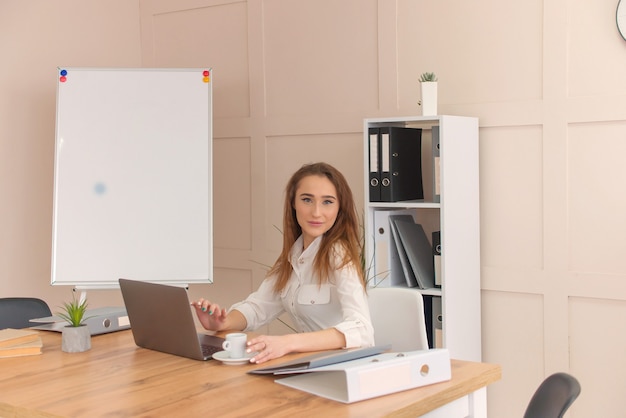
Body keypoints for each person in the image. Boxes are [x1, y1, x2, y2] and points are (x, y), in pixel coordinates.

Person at [192, 162, 374, 364]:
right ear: (293, 203)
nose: (316, 212)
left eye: (328, 202)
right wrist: (222, 322)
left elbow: (362, 330)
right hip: (310, 365)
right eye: (307, 200)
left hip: (345, 368)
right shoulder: (293, 256)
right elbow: (258, 308)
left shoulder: (338, 254)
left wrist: (288, 343)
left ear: (340, 207)